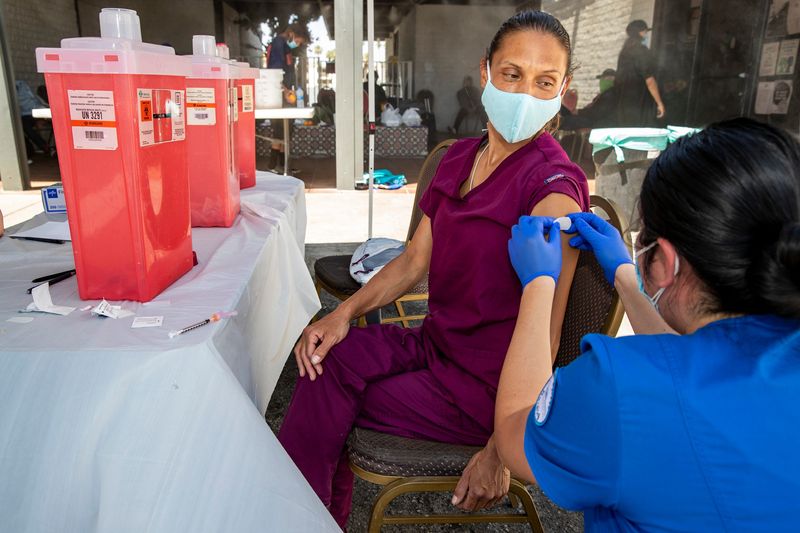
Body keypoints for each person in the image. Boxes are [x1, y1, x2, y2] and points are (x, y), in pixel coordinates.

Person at [278, 10, 590, 529]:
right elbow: (414, 261)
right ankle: (308, 515)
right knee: (323, 354)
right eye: (512, 74)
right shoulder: (458, 160)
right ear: (485, 73)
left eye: (545, 82)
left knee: (328, 395)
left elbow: (550, 331)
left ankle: (293, 516)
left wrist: (501, 444)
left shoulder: (553, 187)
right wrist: (344, 314)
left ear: (563, 90)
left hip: (486, 388)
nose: (526, 95)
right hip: (435, 344)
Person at [495, 118, 800, 531]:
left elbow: (516, 435)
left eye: (645, 244)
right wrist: (625, 274)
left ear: (668, 261)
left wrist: (538, 284)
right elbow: (692, 370)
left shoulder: (620, 387)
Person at [266, 24, 310, 173]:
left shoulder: (286, 46)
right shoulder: (278, 43)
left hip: (286, 93)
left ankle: (284, 165)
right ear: (291, 33)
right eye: (298, 40)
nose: (297, 44)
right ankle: (272, 166)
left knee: (287, 129)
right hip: (279, 93)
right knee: (279, 130)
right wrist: (284, 90)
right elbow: (275, 71)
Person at [615, 19, 665, 126]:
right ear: (641, 33)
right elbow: (650, 80)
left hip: (624, 103)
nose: (646, 35)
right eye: (646, 32)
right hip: (639, 103)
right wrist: (659, 102)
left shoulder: (624, 52)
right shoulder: (642, 51)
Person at [15, 80, 53, 157]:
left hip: (39, 110)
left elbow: (35, 100)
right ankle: (46, 147)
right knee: (24, 125)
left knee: (57, 122)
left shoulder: (21, 84)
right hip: (27, 115)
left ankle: (64, 147)